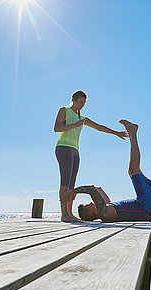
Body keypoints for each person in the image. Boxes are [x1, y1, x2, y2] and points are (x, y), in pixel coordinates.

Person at [54, 90, 128, 222]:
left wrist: (116, 133)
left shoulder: (83, 119)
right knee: (65, 182)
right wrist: (74, 125)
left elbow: (99, 127)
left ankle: (70, 214)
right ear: (74, 100)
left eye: (84, 103)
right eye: (80, 102)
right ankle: (64, 214)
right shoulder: (64, 110)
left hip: (75, 150)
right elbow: (57, 128)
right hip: (64, 147)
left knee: (72, 186)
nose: (82, 105)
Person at [73, 120, 151, 222]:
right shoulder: (104, 213)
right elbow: (92, 190)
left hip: (148, 204)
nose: (90, 203)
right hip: (147, 205)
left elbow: (98, 189)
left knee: (131, 171)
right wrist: (72, 192)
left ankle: (133, 133)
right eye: (87, 206)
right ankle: (132, 133)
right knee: (133, 169)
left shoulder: (107, 209)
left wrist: (84, 191)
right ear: (90, 213)